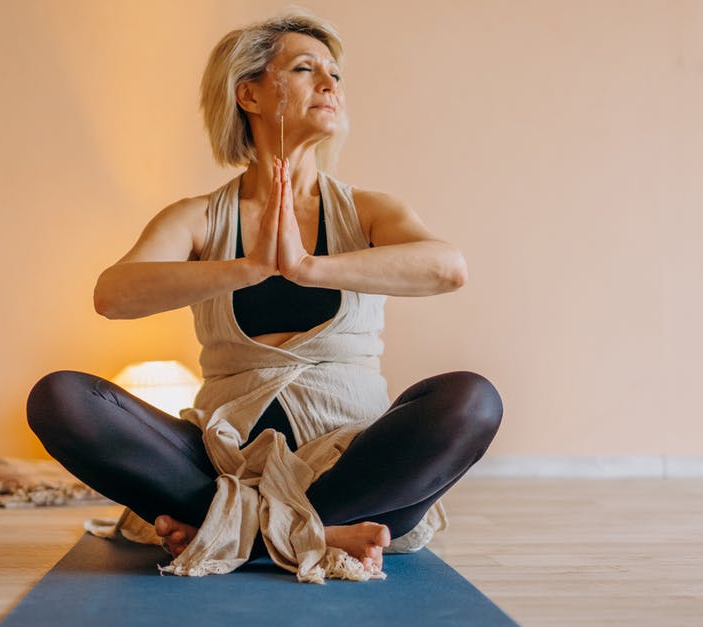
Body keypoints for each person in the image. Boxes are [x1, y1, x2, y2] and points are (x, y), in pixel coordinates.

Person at [26, 10, 502, 583]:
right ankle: (313, 533)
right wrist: (246, 268)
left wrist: (307, 267)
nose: (331, 84)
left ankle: (239, 534)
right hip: (222, 461)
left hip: (353, 466)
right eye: (306, 68)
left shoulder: (369, 211)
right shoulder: (199, 217)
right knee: (59, 397)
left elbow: (447, 268)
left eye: (336, 74)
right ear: (248, 93)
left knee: (472, 400)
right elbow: (114, 294)